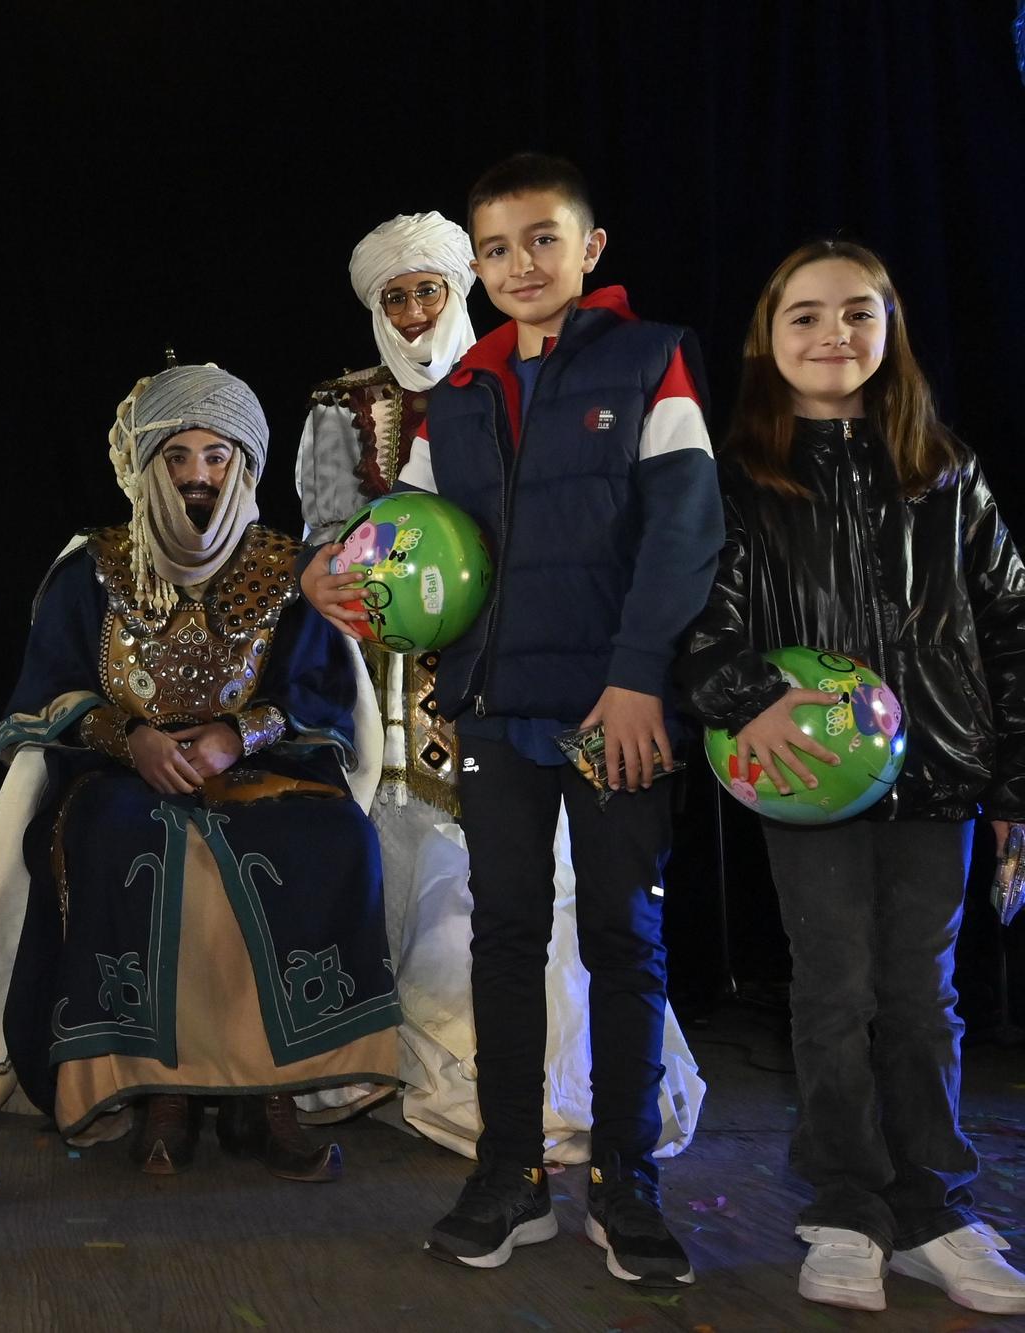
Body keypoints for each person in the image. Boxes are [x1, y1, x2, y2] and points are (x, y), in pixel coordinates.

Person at [303, 154, 720, 1286]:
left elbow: (683, 533)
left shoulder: (649, 358)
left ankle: (625, 1182)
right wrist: (323, 577)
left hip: (612, 712)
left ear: (588, 249)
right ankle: (507, 1174)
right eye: (495, 248)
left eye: (542, 239)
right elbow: (410, 535)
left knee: (622, 941)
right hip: (493, 709)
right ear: (475, 269)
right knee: (503, 939)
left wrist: (636, 678)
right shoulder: (464, 390)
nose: (518, 264)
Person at [0, 364, 398, 1182]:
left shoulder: (290, 572)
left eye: (216, 456)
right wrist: (132, 737)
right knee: (116, 832)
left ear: (244, 464)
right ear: (148, 467)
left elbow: (319, 695)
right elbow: (49, 692)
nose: (198, 477)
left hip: (257, 770)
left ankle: (271, 1099)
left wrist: (236, 735)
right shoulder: (92, 568)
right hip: (120, 773)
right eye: (177, 456)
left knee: (328, 836)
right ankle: (157, 1094)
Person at [677, 240, 1025, 1316]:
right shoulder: (734, 480)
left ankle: (934, 1210)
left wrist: (1011, 783)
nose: (832, 333)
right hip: (809, 781)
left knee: (921, 997)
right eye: (804, 315)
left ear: (889, 330)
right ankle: (842, 1207)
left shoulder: (945, 470)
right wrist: (749, 700)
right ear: (766, 339)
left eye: (857, 313)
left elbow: (1010, 625)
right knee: (832, 992)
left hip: (941, 777)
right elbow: (696, 629)